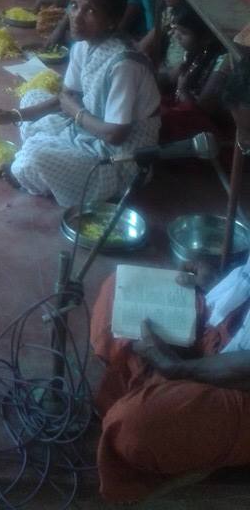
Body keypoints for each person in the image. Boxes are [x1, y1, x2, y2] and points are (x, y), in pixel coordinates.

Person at [89, 60, 250, 503]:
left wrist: (184, 368)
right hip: (226, 328)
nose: (247, 149)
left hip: (242, 377)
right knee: (115, 295)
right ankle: (161, 388)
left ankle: (165, 394)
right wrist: (218, 277)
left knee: (136, 430)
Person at [0, 0, 160, 206]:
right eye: (75, 6)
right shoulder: (83, 46)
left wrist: (75, 112)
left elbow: (115, 135)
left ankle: (57, 173)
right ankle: (50, 166)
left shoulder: (124, 65)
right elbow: (67, 97)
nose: (77, 17)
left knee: (35, 156)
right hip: (88, 128)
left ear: (111, 21)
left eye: (91, 11)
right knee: (31, 98)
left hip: (121, 156)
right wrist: (15, 115)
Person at [158, 3, 230, 142]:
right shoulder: (196, 52)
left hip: (206, 131)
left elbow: (202, 113)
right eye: (176, 30)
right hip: (185, 115)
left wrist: (182, 90)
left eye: (183, 32)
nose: (177, 36)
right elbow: (170, 76)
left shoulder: (223, 61)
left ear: (206, 38)